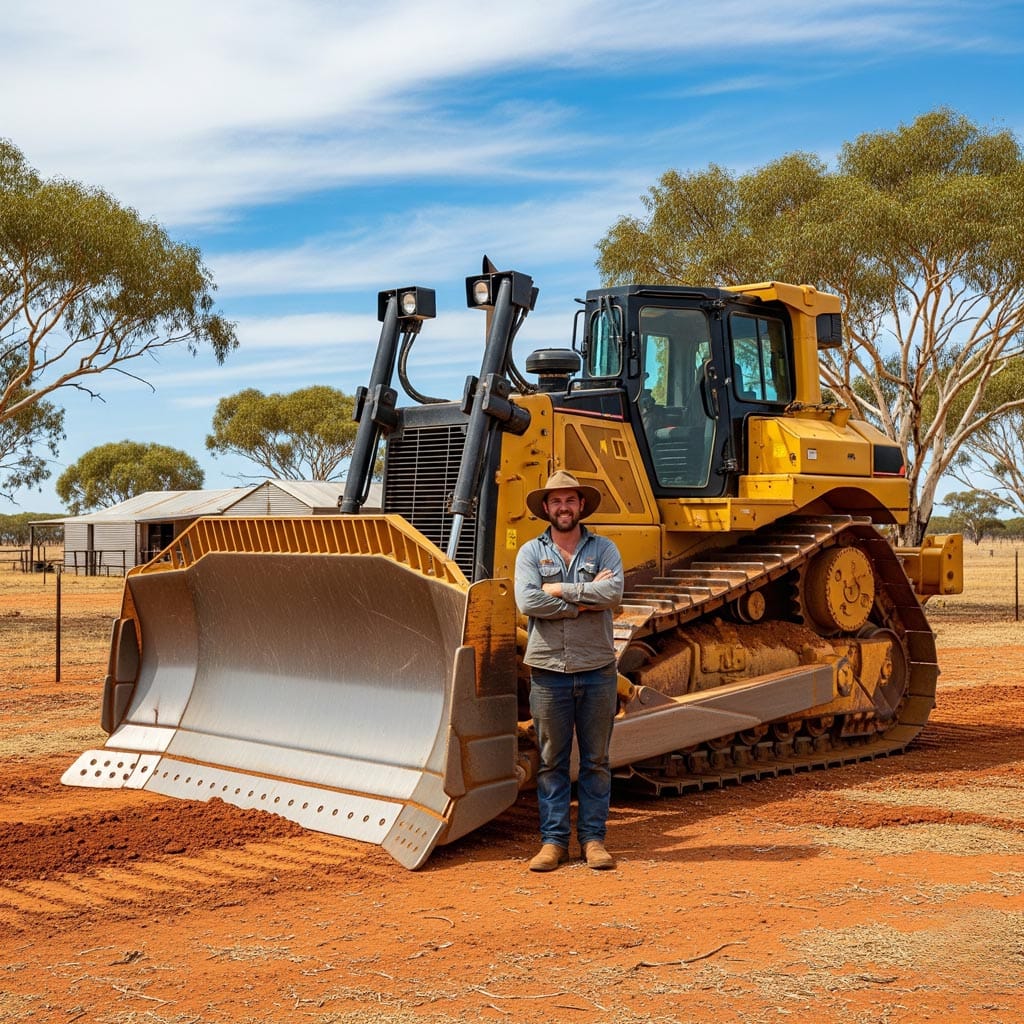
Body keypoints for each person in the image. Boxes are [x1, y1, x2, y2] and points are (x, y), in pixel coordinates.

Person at [514, 470, 624, 871]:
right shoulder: (529, 552)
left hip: (597, 669)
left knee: (596, 761)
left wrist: (560, 590)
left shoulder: (605, 548)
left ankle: (593, 841)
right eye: (556, 501)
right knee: (551, 762)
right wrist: (585, 601)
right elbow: (527, 601)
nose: (564, 507)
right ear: (546, 508)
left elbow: (613, 593)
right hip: (548, 671)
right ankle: (554, 842)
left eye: (570, 500)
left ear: (580, 506)